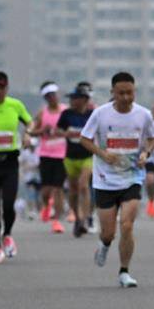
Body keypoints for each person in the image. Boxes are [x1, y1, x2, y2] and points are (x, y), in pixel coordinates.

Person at [79, 72, 154, 288]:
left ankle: (124, 271)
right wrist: (102, 154)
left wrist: (146, 153)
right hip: (105, 179)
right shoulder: (100, 114)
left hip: (132, 177)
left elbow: (152, 139)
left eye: (129, 93)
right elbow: (84, 139)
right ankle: (104, 245)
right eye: (121, 93)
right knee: (109, 233)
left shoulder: (143, 114)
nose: (125, 97)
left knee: (127, 225)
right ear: (112, 92)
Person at [0, 71, 33, 263]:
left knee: (9, 203)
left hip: (10, 162)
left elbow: (30, 122)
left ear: (7, 88)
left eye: (2, 88)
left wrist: (27, 134)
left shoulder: (15, 105)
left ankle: (8, 234)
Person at [30, 82, 68, 234]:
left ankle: (56, 220)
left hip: (62, 155)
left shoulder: (66, 111)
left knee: (58, 188)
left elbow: (72, 128)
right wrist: (41, 130)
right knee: (46, 190)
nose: (53, 97)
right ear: (45, 98)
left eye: (54, 94)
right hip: (45, 154)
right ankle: (46, 205)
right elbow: (31, 131)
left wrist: (63, 132)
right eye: (49, 96)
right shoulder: (42, 113)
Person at [58, 86, 94, 237]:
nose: (72, 101)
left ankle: (84, 219)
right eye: (71, 98)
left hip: (87, 156)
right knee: (73, 190)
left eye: (75, 98)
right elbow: (58, 129)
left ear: (84, 100)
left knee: (83, 186)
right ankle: (77, 217)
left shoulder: (92, 115)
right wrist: (64, 133)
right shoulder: (67, 114)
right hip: (70, 157)